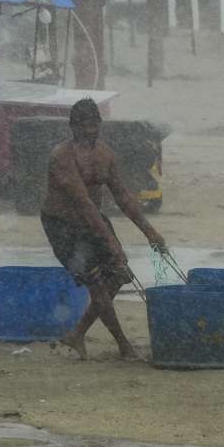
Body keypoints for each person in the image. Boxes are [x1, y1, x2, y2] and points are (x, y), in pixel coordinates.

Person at [40, 98, 167, 360]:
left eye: (94, 125)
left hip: (92, 220)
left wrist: (150, 232)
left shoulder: (105, 153)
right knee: (96, 283)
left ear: (99, 125)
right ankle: (124, 346)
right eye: (84, 126)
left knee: (120, 274)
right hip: (63, 224)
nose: (89, 131)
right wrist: (112, 244)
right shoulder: (61, 157)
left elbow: (122, 197)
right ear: (73, 127)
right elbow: (83, 203)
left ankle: (77, 334)